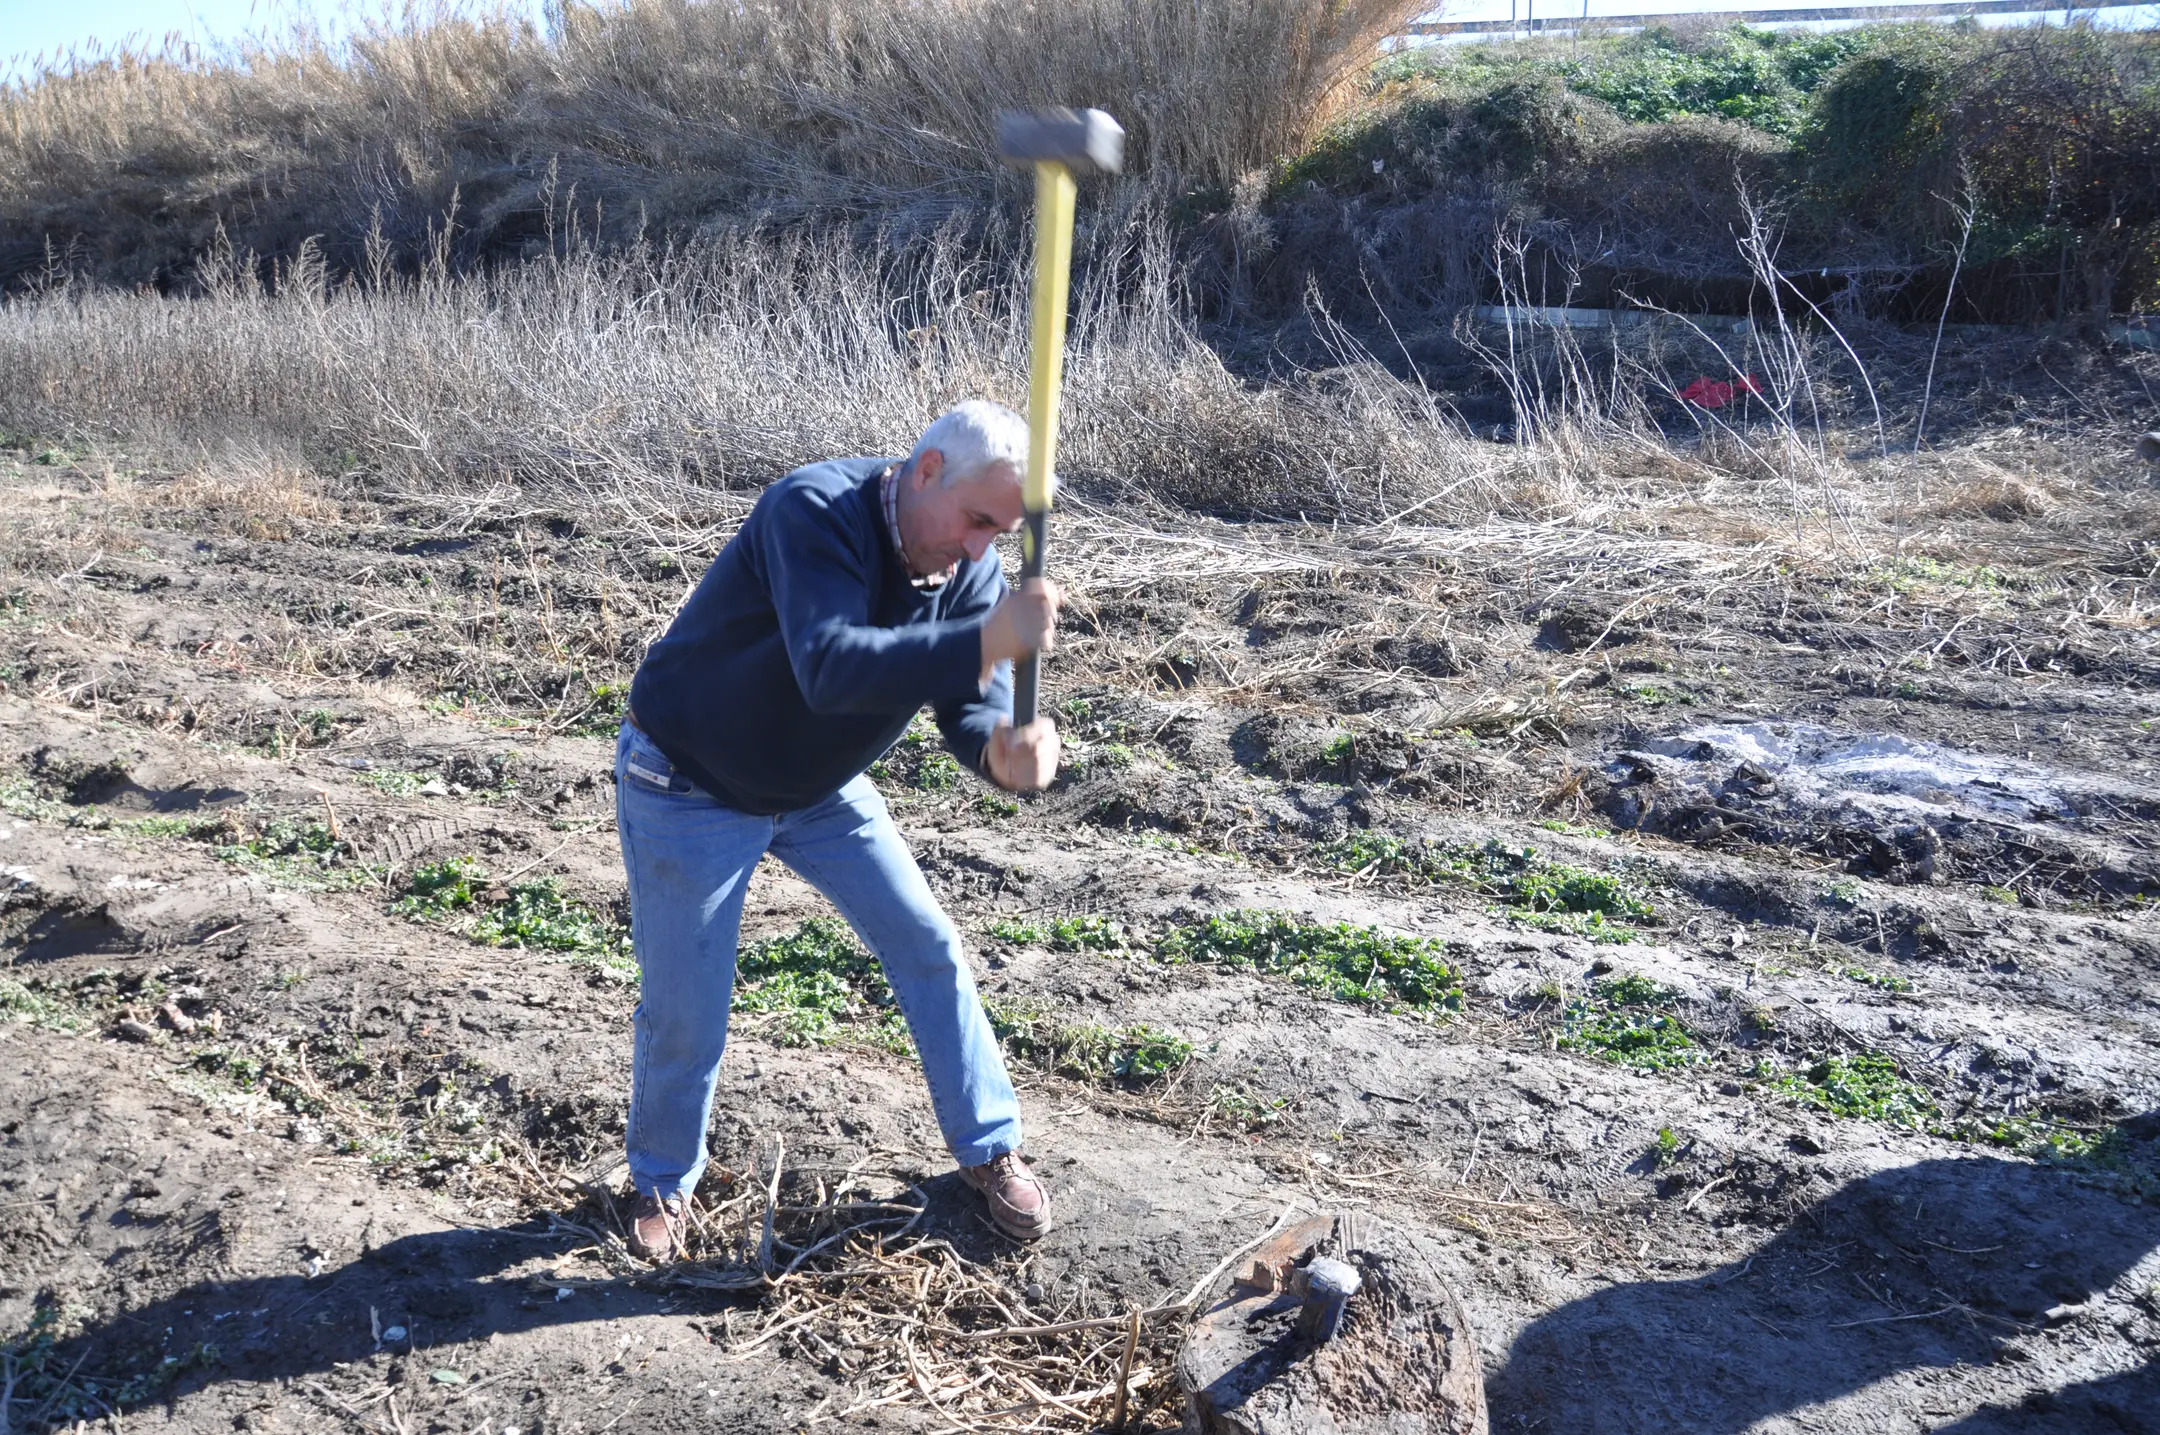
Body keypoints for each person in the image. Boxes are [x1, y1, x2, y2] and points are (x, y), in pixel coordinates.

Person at [613, 400, 1064, 1260]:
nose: (981, 550)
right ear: (926, 470)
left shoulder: (969, 568)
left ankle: (987, 1144)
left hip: (816, 788)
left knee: (926, 939)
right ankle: (660, 1178)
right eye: (976, 520)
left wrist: (999, 748)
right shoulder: (812, 512)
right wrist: (986, 640)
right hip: (688, 781)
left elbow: (969, 701)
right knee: (688, 1009)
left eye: (999, 533)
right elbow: (830, 665)